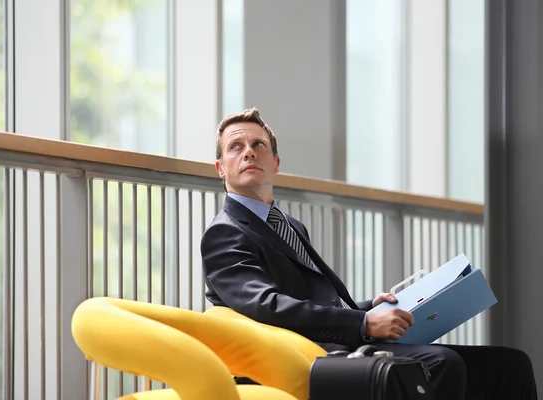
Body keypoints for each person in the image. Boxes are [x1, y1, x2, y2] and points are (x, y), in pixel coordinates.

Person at [200, 107, 537, 400]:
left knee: (510, 364)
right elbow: (266, 306)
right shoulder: (225, 231)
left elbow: (310, 300)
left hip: (334, 342)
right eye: (236, 147)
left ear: (275, 162)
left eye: (258, 144)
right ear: (220, 167)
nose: (248, 152)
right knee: (440, 364)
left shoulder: (289, 225)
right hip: (306, 355)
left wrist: (367, 308)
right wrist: (363, 322)